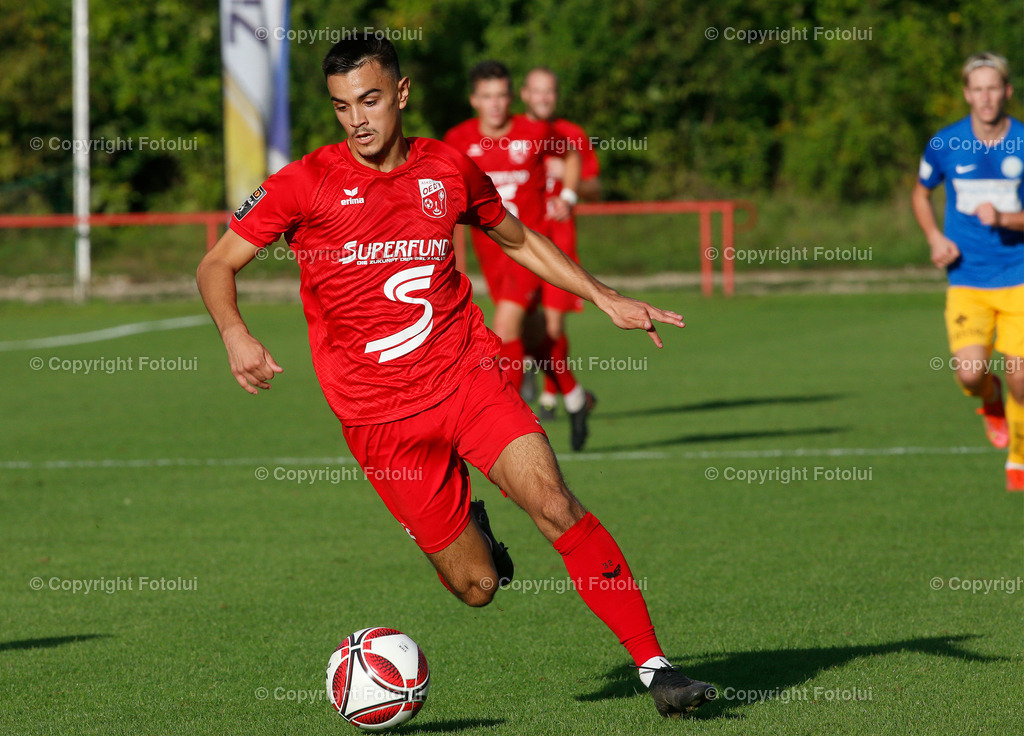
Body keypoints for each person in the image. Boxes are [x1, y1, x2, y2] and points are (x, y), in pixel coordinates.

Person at [196, 35, 715, 717]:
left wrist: (604, 296)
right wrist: (235, 334)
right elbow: (215, 265)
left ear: (402, 94)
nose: (358, 119)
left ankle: (657, 669)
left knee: (555, 503)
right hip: (380, 421)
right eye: (343, 106)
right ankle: (469, 522)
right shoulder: (304, 183)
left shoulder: (447, 168)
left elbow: (520, 238)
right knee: (477, 587)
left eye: (372, 100)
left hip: (468, 377)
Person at [444, 62, 595, 450]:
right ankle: (576, 398)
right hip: (491, 256)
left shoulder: (535, 132)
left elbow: (573, 157)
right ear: (474, 100)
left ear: (511, 99)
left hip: (527, 250)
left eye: (501, 96)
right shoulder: (458, 139)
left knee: (506, 328)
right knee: (534, 337)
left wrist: (569, 196)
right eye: (487, 97)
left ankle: (512, 429)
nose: (495, 105)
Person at [912, 52, 1024, 491]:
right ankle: (988, 397)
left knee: (1023, 375)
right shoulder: (945, 143)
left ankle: (1019, 458)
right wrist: (935, 239)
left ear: (1007, 91)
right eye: (977, 89)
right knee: (971, 373)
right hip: (968, 282)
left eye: (993, 87)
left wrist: (1005, 219)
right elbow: (920, 195)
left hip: (1019, 279)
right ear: (966, 93)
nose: (986, 97)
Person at [520, 66, 601, 428]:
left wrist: (567, 187)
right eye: (537, 91)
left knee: (551, 325)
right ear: (524, 94)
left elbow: (594, 187)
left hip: (560, 243)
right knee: (522, 323)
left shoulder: (571, 135)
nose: (544, 98)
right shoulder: (511, 135)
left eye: (550, 91)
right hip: (520, 242)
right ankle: (569, 394)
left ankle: (552, 393)